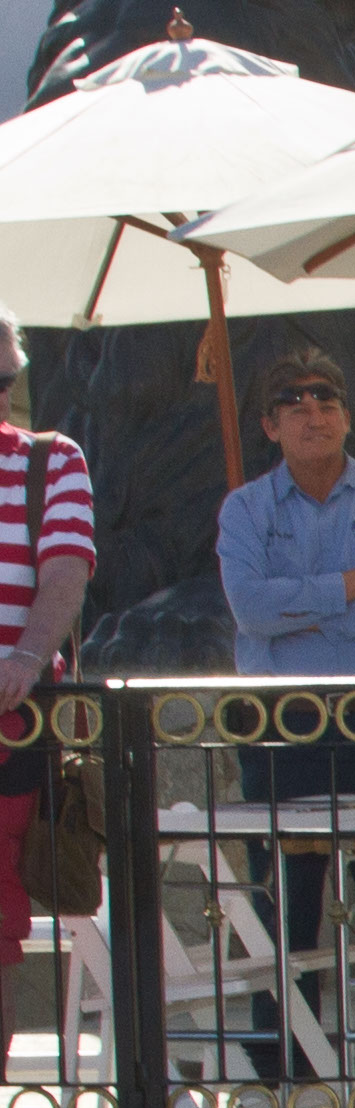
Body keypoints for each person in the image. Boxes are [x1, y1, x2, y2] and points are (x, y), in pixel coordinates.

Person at [213, 344, 355, 1080]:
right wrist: (350, 586)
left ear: (347, 416)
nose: (312, 412)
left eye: (327, 400)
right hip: (280, 722)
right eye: (294, 403)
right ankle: (285, 1061)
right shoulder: (245, 509)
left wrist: (301, 610)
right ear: (269, 426)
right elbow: (250, 609)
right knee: (282, 900)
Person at [0, 313, 97, 1023]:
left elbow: (67, 569)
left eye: (7, 378)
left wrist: (28, 657)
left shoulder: (51, 459)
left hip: (14, 721)